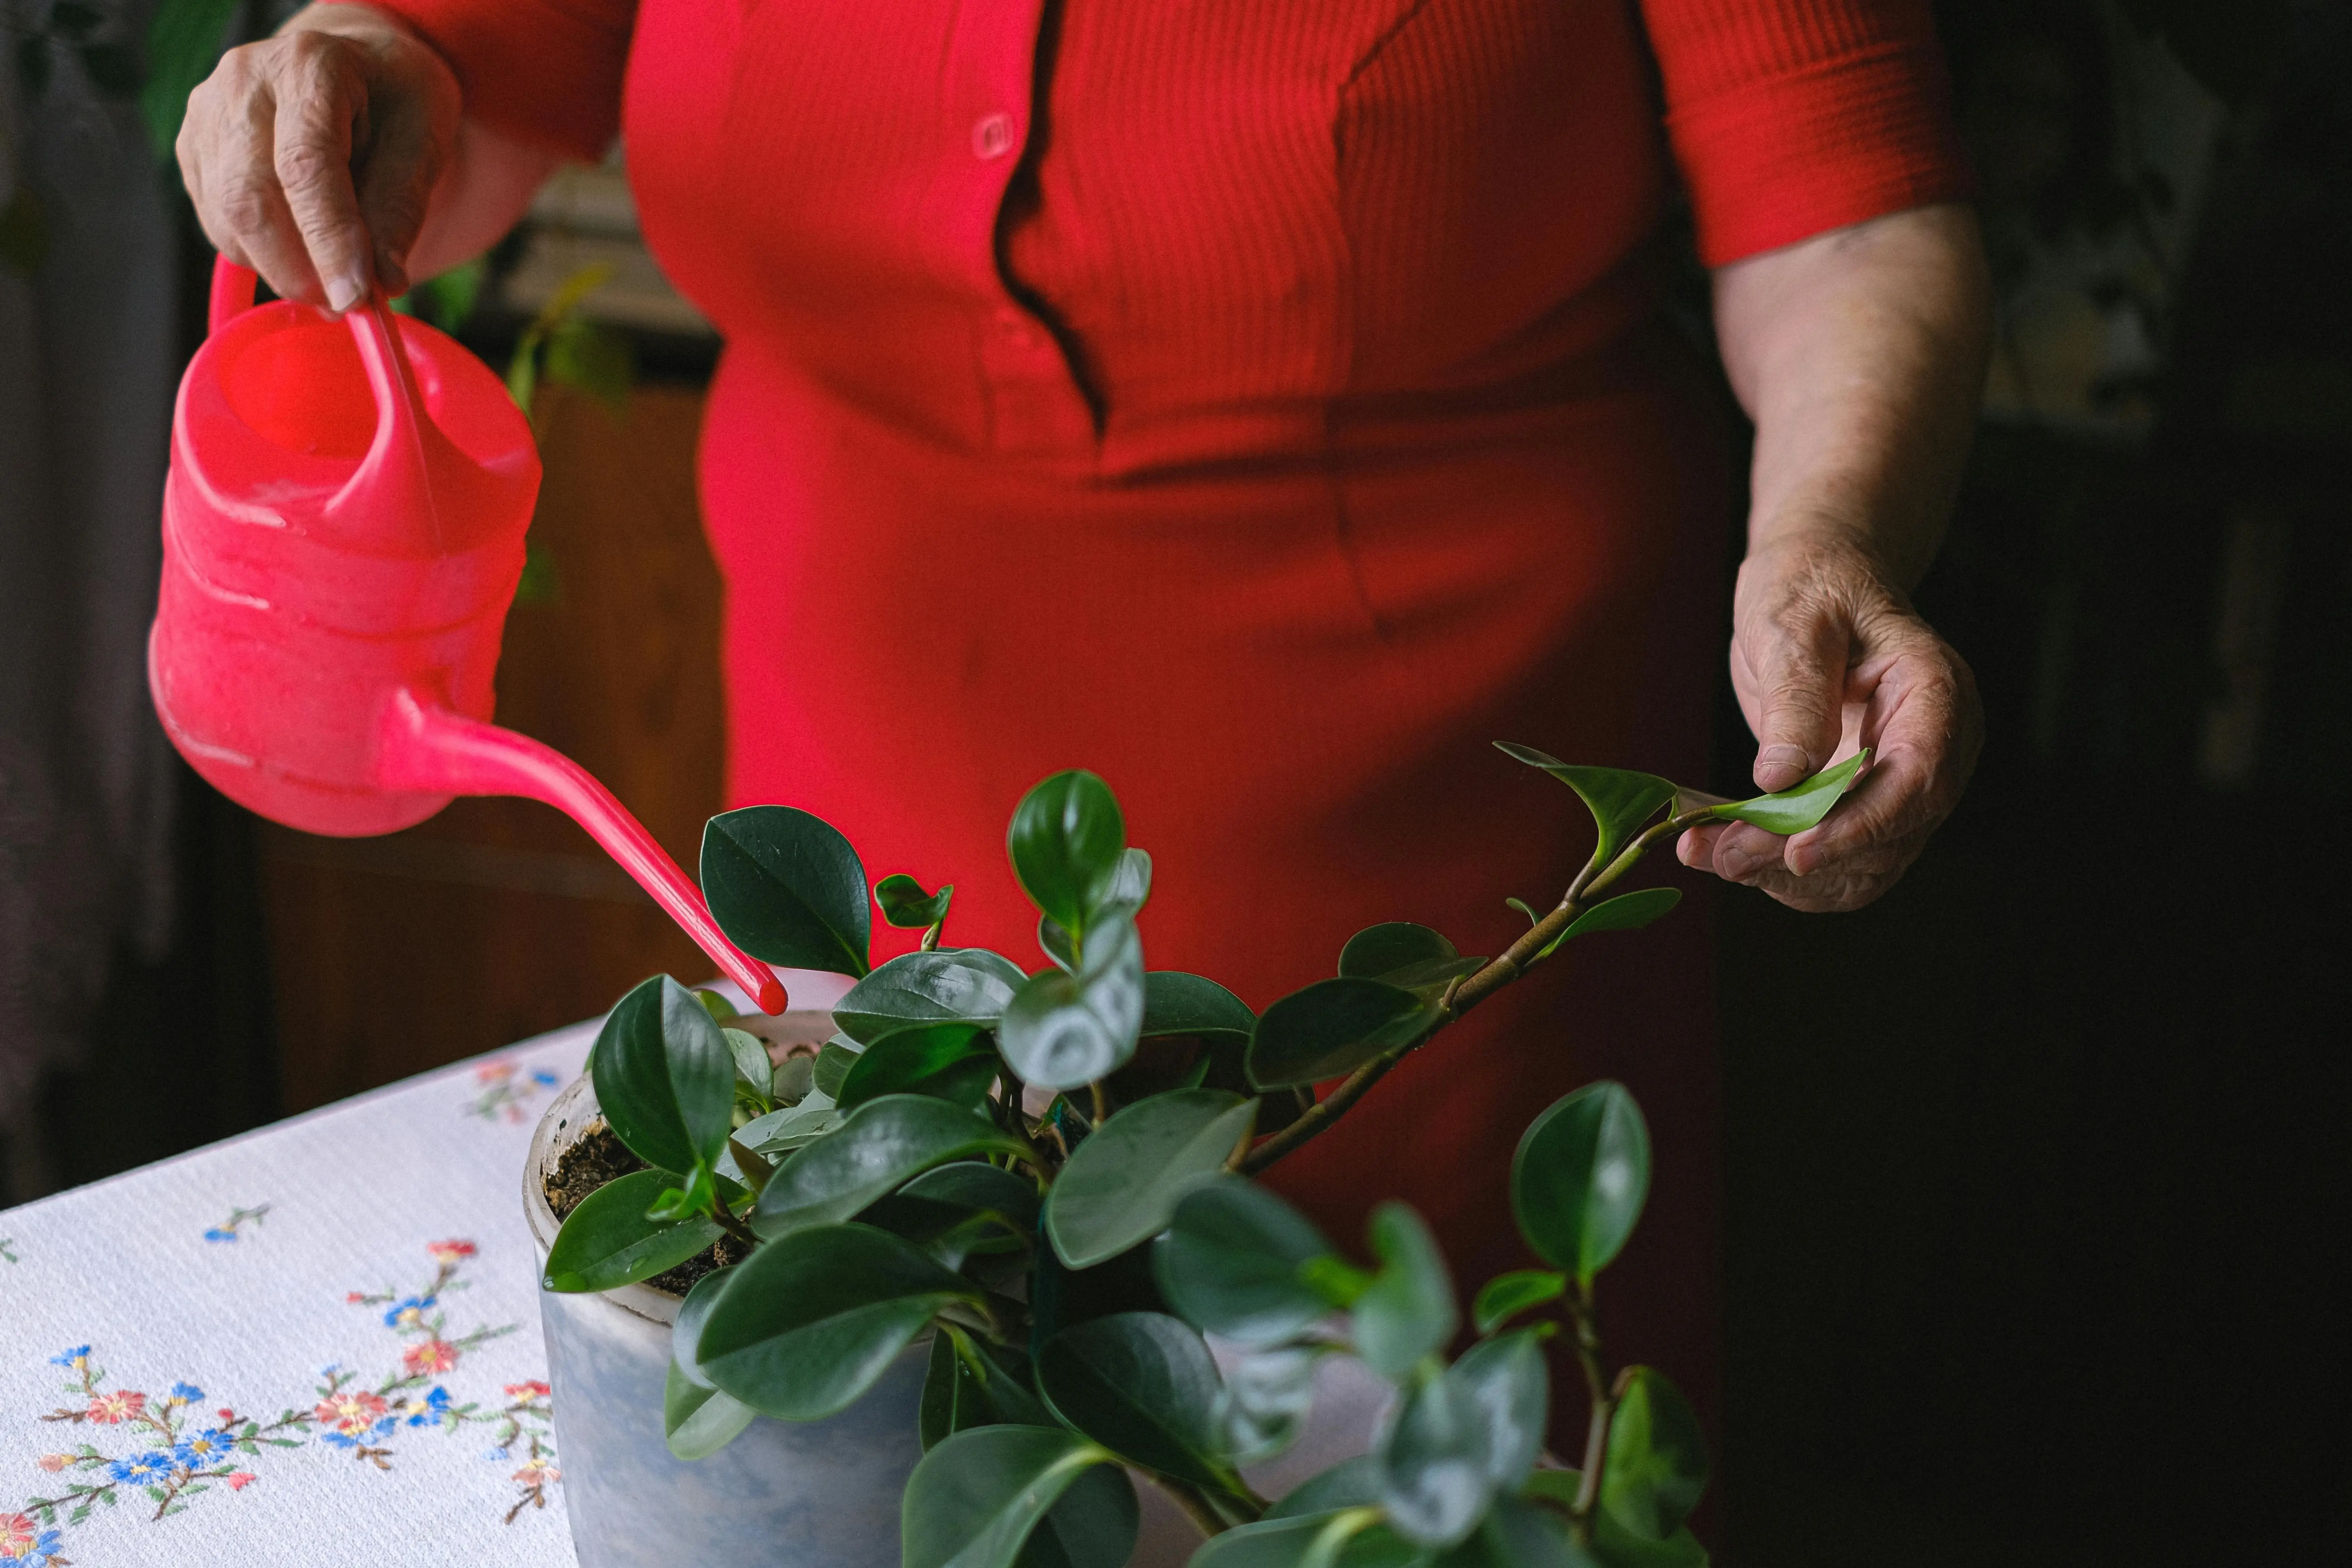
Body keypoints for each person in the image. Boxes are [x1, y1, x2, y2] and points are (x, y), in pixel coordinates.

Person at [177, 0, 1988, 1447]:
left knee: (1380, 1476)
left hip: (1427, 939)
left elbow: (1847, 221)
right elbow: (475, 74)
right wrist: (363, 84)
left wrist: (1828, 534)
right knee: (895, 1439)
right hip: (861, 875)